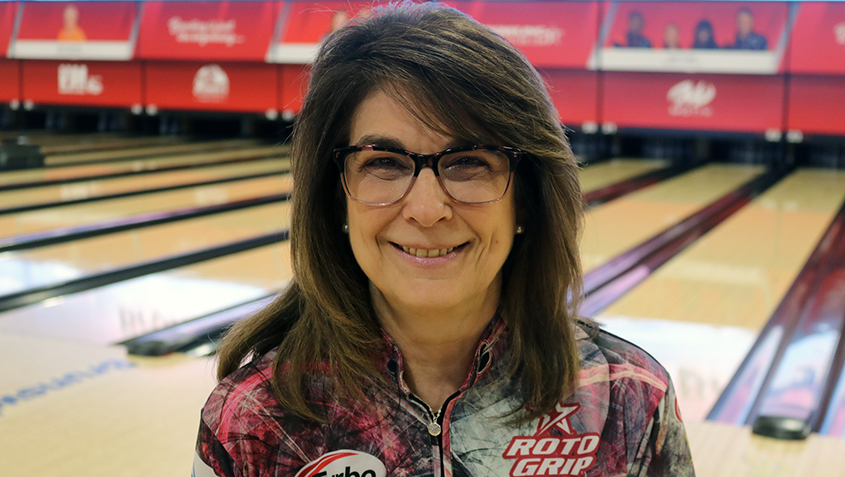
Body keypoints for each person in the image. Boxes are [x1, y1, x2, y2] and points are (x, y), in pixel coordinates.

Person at [193, 3, 695, 476]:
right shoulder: (255, 418)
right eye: (383, 163)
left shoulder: (626, 399)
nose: (428, 210)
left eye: (470, 162)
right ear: (336, 197)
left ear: (526, 199)